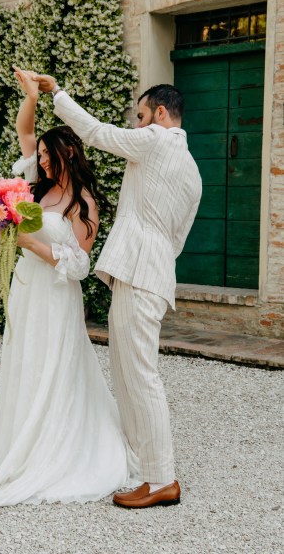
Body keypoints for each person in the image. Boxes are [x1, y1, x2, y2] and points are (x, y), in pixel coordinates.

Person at [31, 74, 202, 508]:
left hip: (138, 272)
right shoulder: (194, 171)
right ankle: (144, 468)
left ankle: (162, 479)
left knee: (140, 376)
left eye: (141, 115)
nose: (138, 124)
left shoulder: (158, 141)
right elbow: (177, 238)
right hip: (151, 271)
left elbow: (95, 133)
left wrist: (56, 93)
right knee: (129, 375)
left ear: (161, 114)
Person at [0, 69, 137, 514]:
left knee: (53, 365)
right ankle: (20, 444)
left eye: (50, 155)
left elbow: (82, 265)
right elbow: (24, 130)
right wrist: (32, 94)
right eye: (41, 155)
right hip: (27, 291)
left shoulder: (82, 202)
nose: (42, 161)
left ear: (69, 153)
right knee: (23, 360)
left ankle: (55, 448)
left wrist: (34, 245)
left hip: (56, 295)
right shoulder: (38, 185)